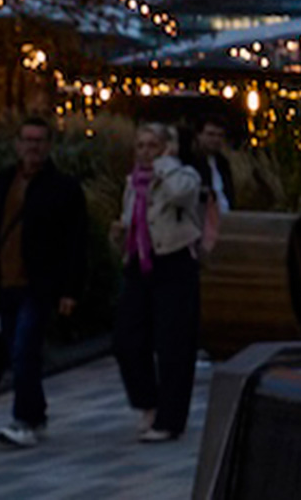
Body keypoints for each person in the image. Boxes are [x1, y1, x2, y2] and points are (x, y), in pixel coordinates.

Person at [0, 116, 87, 449]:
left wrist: (70, 288)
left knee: (24, 349)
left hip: (39, 283)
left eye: (39, 140)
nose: (32, 146)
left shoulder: (63, 188)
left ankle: (23, 418)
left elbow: (76, 241)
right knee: (18, 351)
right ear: (18, 144)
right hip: (4, 280)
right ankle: (35, 413)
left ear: (49, 145)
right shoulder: (4, 181)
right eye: (27, 139)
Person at [111, 119, 203, 443]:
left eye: (152, 145)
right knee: (127, 339)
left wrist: (167, 161)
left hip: (174, 262)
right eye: (141, 146)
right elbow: (132, 219)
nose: (145, 153)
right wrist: (121, 235)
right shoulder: (133, 182)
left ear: (166, 147)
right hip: (139, 262)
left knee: (173, 345)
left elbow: (181, 195)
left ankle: (170, 419)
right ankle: (147, 401)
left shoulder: (181, 175)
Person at [187, 117, 235, 264]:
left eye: (219, 135)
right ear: (199, 135)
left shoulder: (222, 163)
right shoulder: (191, 163)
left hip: (225, 221)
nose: (215, 140)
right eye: (210, 134)